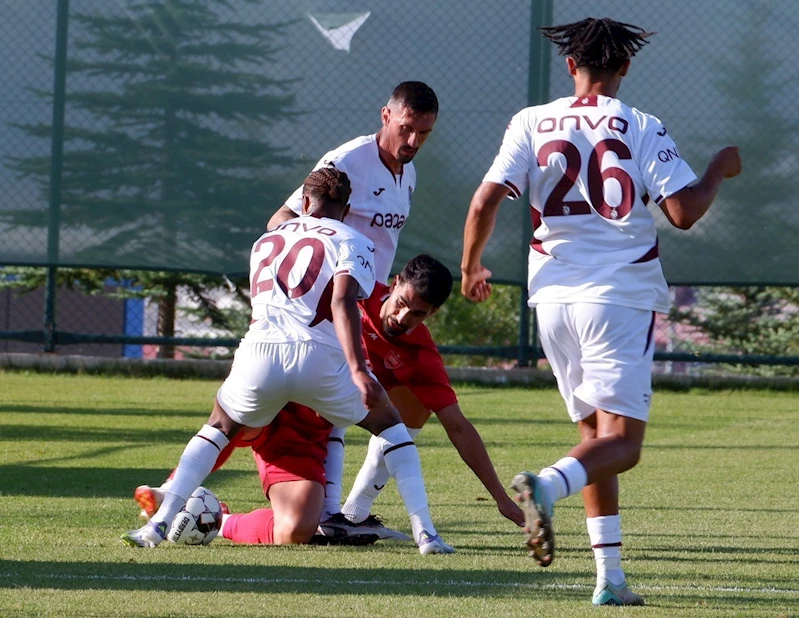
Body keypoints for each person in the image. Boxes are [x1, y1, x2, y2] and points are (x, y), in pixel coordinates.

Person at [459, 18, 741, 606]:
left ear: (570, 66)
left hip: (552, 299)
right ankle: (544, 485)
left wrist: (471, 266)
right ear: (626, 68)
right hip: (617, 295)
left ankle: (610, 579)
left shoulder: (530, 121)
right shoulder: (640, 124)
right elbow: (684, 212)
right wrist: (718, 167)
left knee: (592, 437)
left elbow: (485, 199)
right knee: (623, 445)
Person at [121, 167, 454, 555]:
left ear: (305, 202)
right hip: (317, 359)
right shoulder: (355, 240)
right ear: (347, 210)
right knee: (393, 429)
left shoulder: (267, 240)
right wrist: (357, 368)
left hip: (260, 354)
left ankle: (157, 526)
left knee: (219, 427)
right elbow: (342, 300)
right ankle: (426, 534)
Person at [134, 255, 523, 544]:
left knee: (295, 531)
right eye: (401, 302)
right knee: (238, 417)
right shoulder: (350, 291)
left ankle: (222, 520)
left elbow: (458, 426)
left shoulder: (419, 354)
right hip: (273, 395)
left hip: (307, 429)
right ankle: (171, 490)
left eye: (417, 313)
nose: (403, 316)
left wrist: (501, 498)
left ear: (433, 314)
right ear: (394, 282)